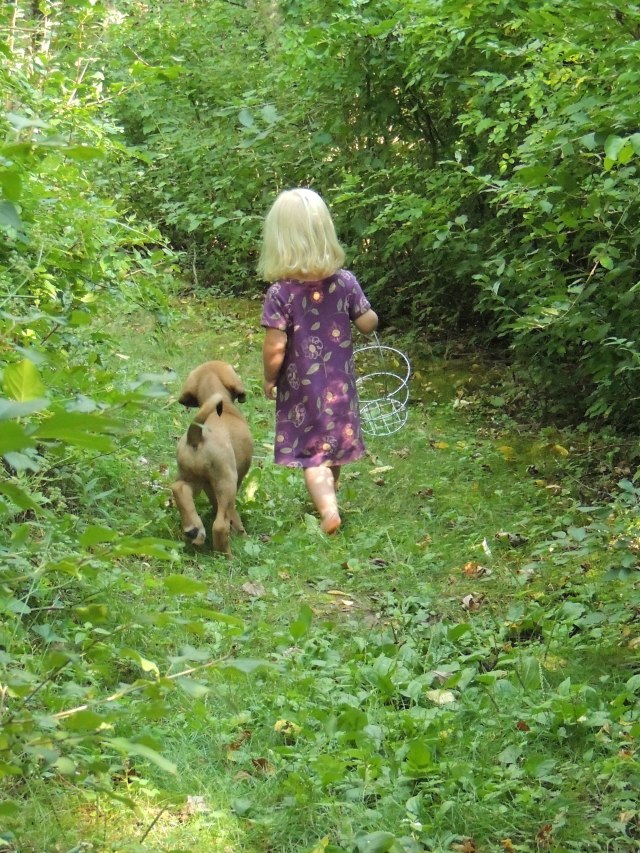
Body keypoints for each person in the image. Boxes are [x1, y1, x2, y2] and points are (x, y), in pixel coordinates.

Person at [259, 187, 378, 534]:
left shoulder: (281, 293)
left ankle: (328, 511)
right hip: (341, 388)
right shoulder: (345, 282)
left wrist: (269, 377)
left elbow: (274, 346)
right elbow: (367, 322)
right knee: (332, 446)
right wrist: (371, 318)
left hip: (304, 391)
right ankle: (331, 496)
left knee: (314, 455)